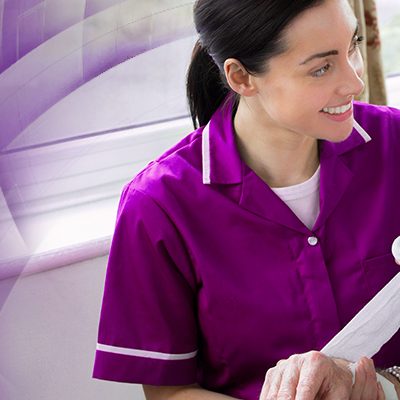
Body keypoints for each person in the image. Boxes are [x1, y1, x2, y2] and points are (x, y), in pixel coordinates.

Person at [92, 0, 400, 398]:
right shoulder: (158, 206)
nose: (355, 82)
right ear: (241, 77)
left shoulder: (394, 145)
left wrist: (386, 385)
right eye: (322, 68)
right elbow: (169, 393)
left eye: (353, 46)